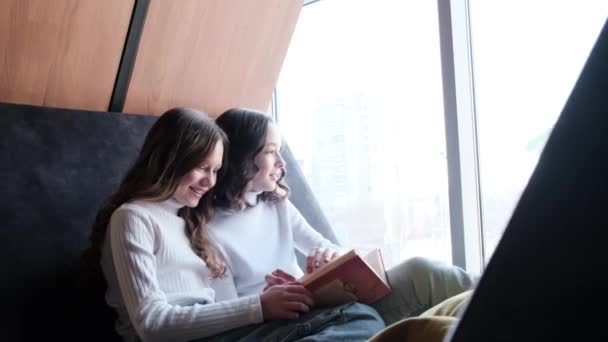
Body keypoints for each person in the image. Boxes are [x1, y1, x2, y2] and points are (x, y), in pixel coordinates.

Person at [85, 107, 383, 342]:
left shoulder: (187, 219)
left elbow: (221, 301)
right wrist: (260, 306)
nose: (210, 181)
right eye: (202, 168)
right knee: (357, 320)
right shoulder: (133, 218)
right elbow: (151, 324)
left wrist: (268, 299)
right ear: (169, 160)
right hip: (195, 336)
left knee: (359, 317)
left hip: (219, 332)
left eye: (215, 170)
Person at [209, 107, 476, 326]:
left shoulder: (276, 204)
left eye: (281, 150)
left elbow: (329, 248)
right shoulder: (208, 230)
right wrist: (265, 303)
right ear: (242, 156)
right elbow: (228, 314)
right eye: (270, 151)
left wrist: (326, 261)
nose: (282, 161)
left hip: (321, 303)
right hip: (289, 324)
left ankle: (508, 297)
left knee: (423, 272)